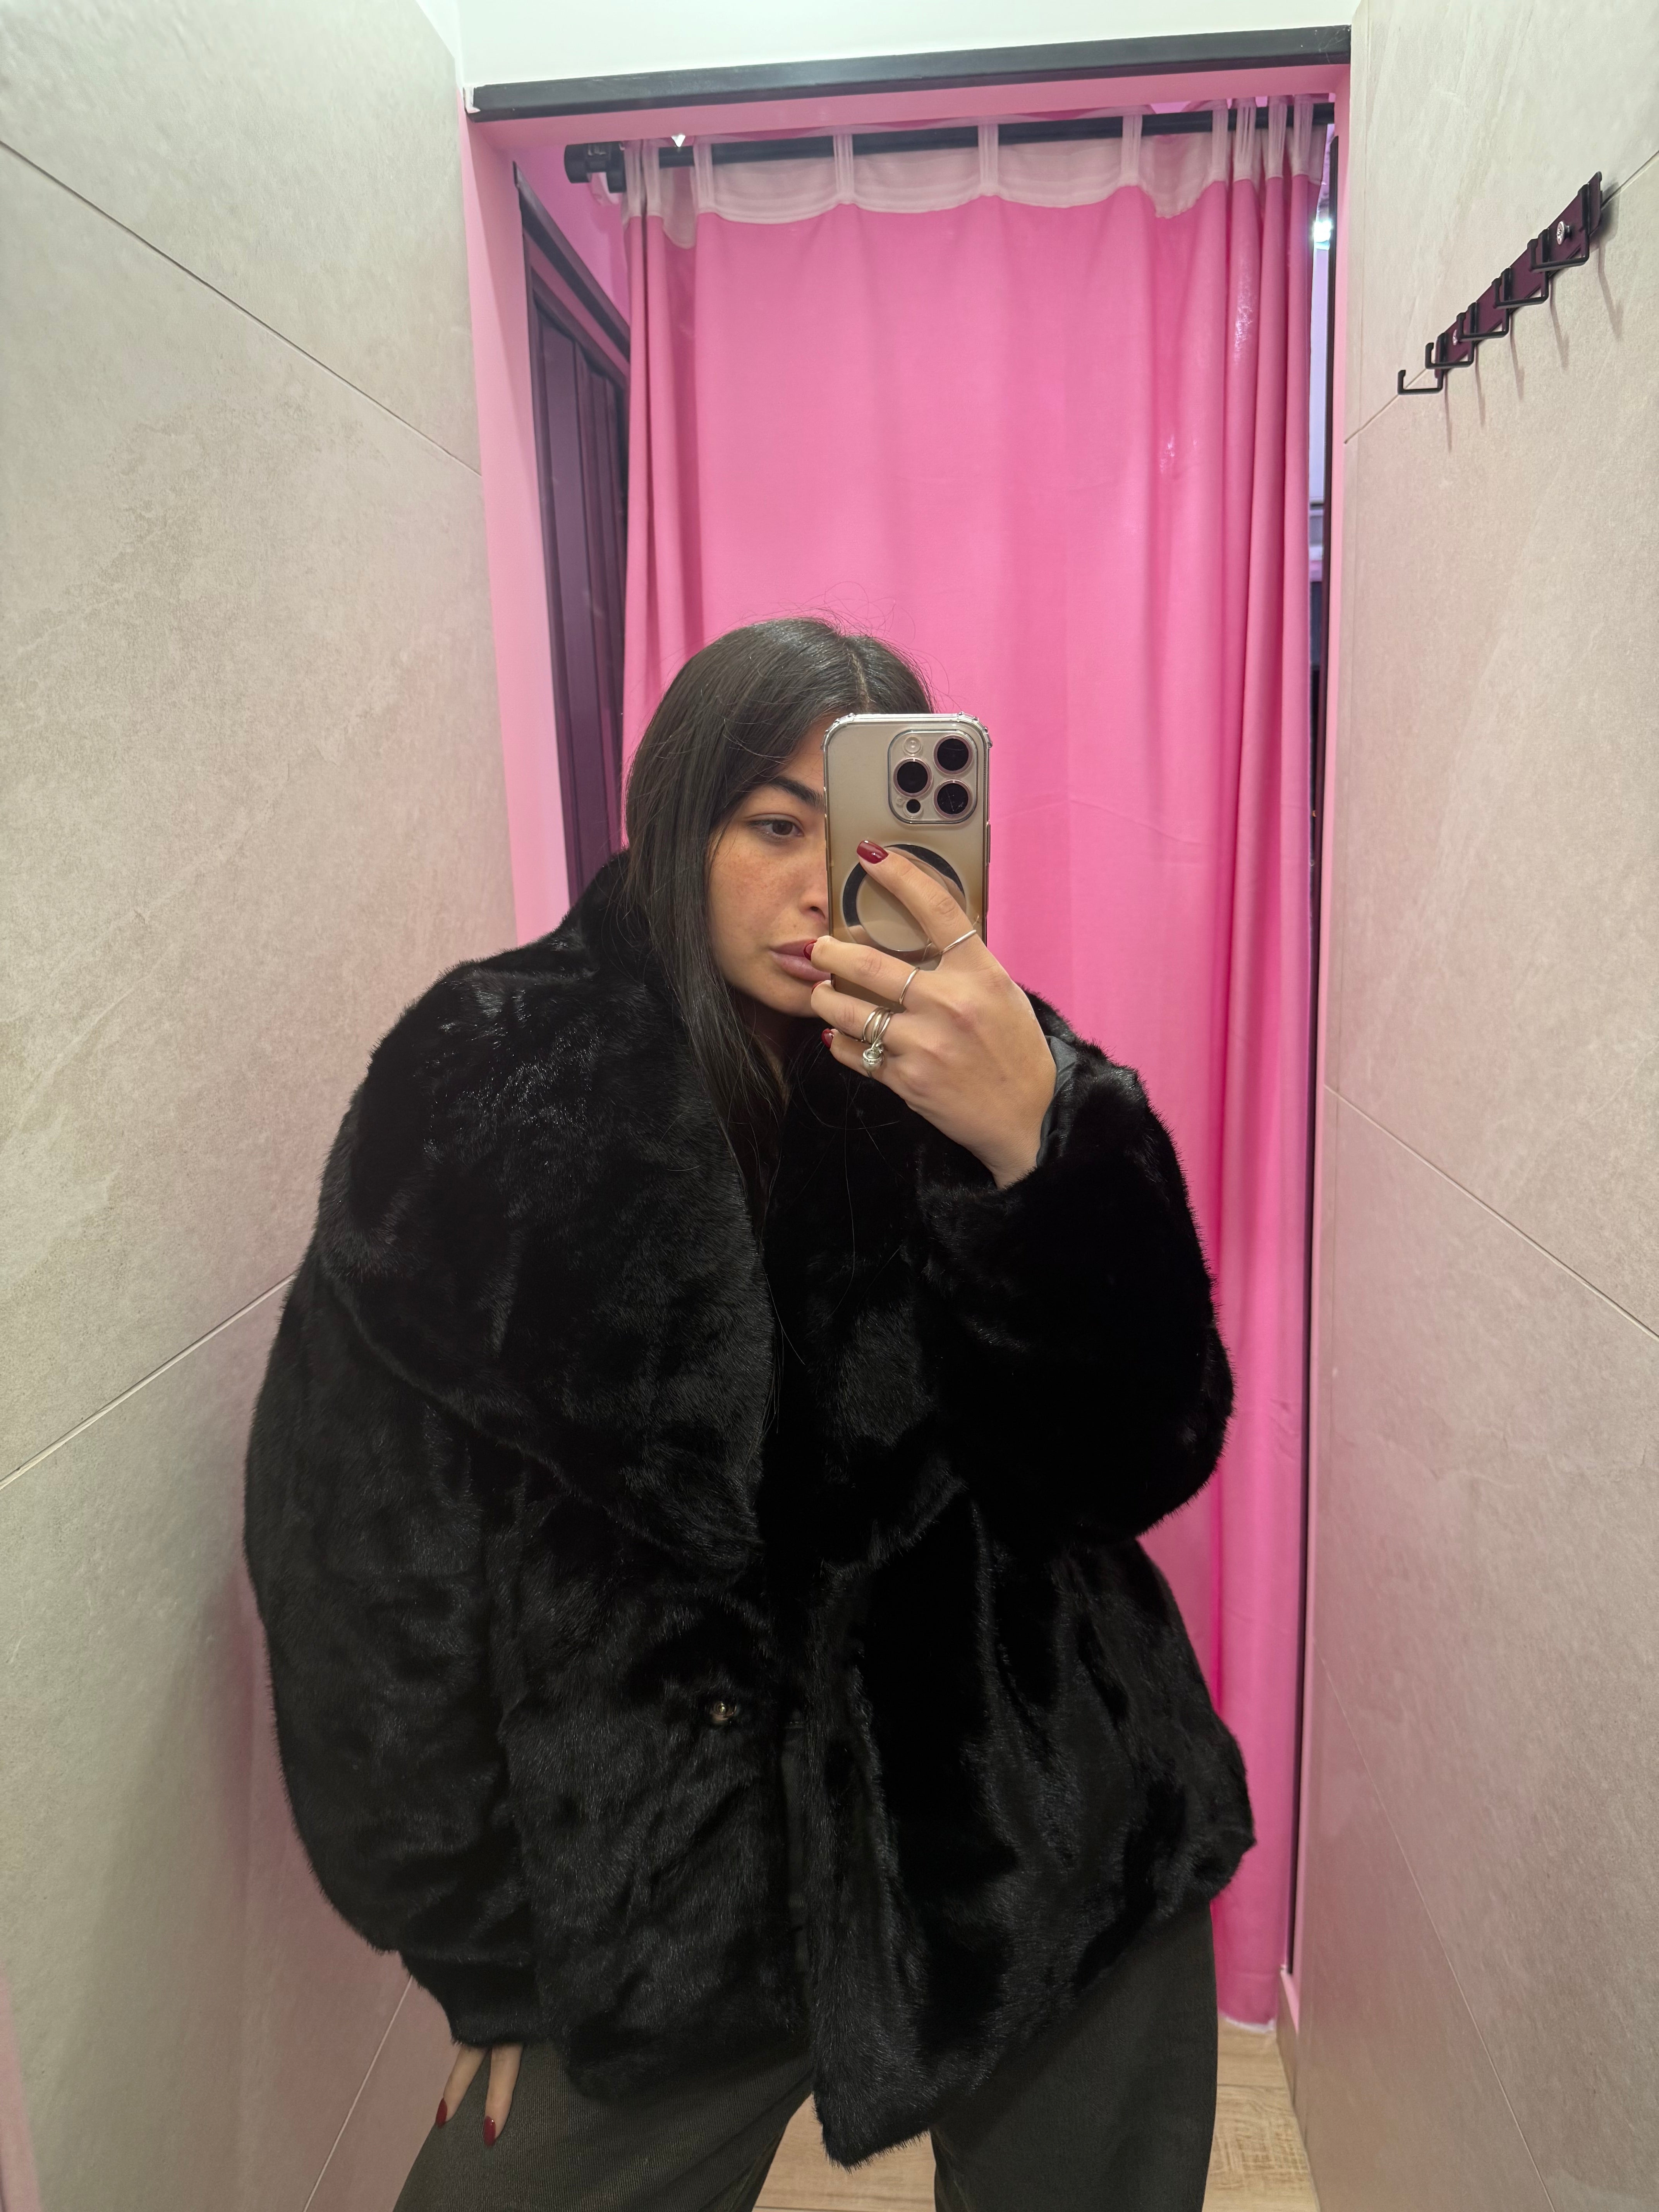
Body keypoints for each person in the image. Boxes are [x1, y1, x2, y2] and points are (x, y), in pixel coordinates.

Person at [244, 616, 1252, 2212]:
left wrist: (1032, 1154)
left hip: (1038, 1836)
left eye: (852, 834)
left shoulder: (1007, 1067)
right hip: (659, 1900)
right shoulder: (483, 1088)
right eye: (772, 826)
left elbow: (1146, 1452)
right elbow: (360, 1563)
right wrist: (477, 1949)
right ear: (676, 823)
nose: (818, 888)